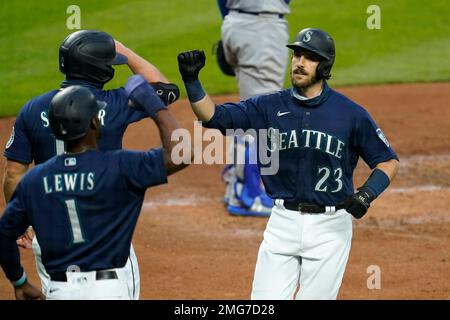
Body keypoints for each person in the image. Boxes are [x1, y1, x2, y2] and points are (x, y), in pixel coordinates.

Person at [177, 27, 400, 299]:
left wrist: (367, 194)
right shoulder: (267, 107)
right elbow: (213, 117)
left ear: (325, 65)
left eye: (309, 57)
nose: (299, 63)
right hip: (282, 222)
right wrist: (191, 81)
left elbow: (387, 161)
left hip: (330, 229)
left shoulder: (350, 114)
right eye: (297, 55)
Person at [2, 29, 179, 299]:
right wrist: (126, 52)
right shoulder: (112, 104)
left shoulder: (32, 109)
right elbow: (166, 91)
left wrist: (25, 221)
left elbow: (13, 174)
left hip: (51, 240)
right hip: (106, 245)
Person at [216, 0, 291, 217]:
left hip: (235, 22)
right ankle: (246, 194)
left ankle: (236, 183)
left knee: (249, 108)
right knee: (262, 115)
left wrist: (233, 21)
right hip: (262, 31)